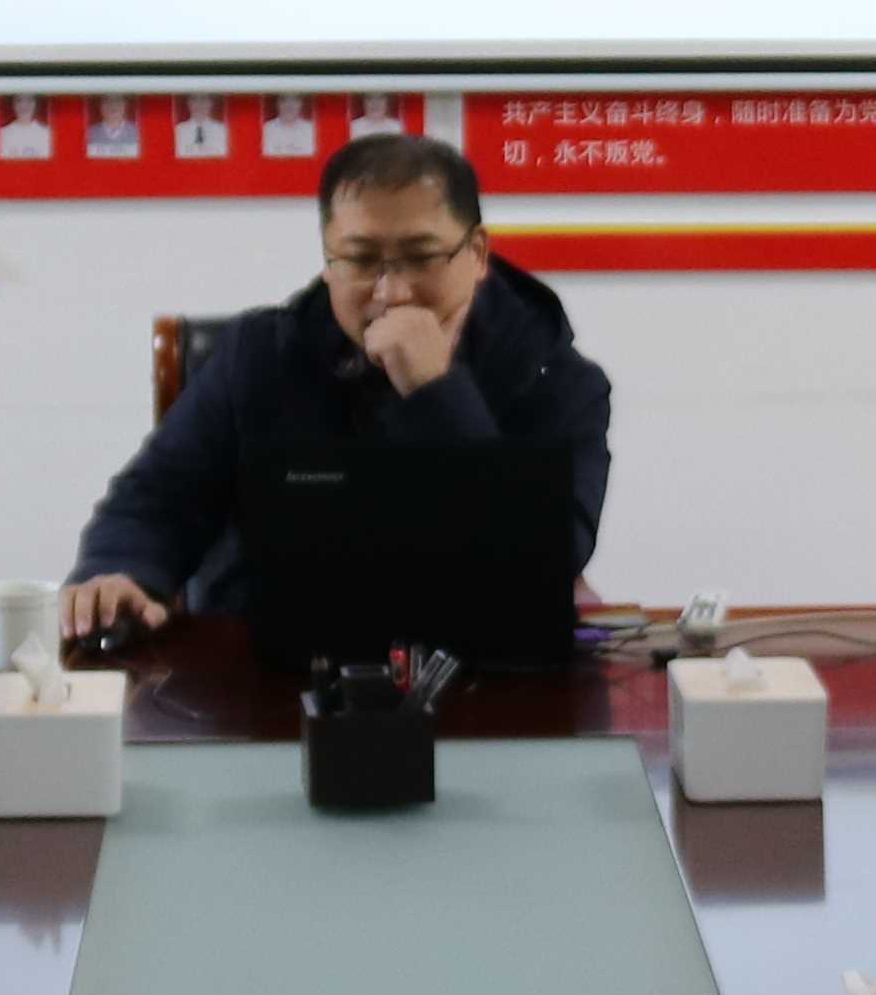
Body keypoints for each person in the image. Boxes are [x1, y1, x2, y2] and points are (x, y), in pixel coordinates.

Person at [61, 131, 615, 642]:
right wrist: (120, 573)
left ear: (477, 255)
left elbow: (545, 560)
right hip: (265, 671)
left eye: (422, 257)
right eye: (361, 260)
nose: (391, 291)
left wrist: (436, 393)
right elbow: (159, 499)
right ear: (328, 261)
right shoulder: (259, 356)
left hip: (480, 672)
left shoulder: (555, 380)